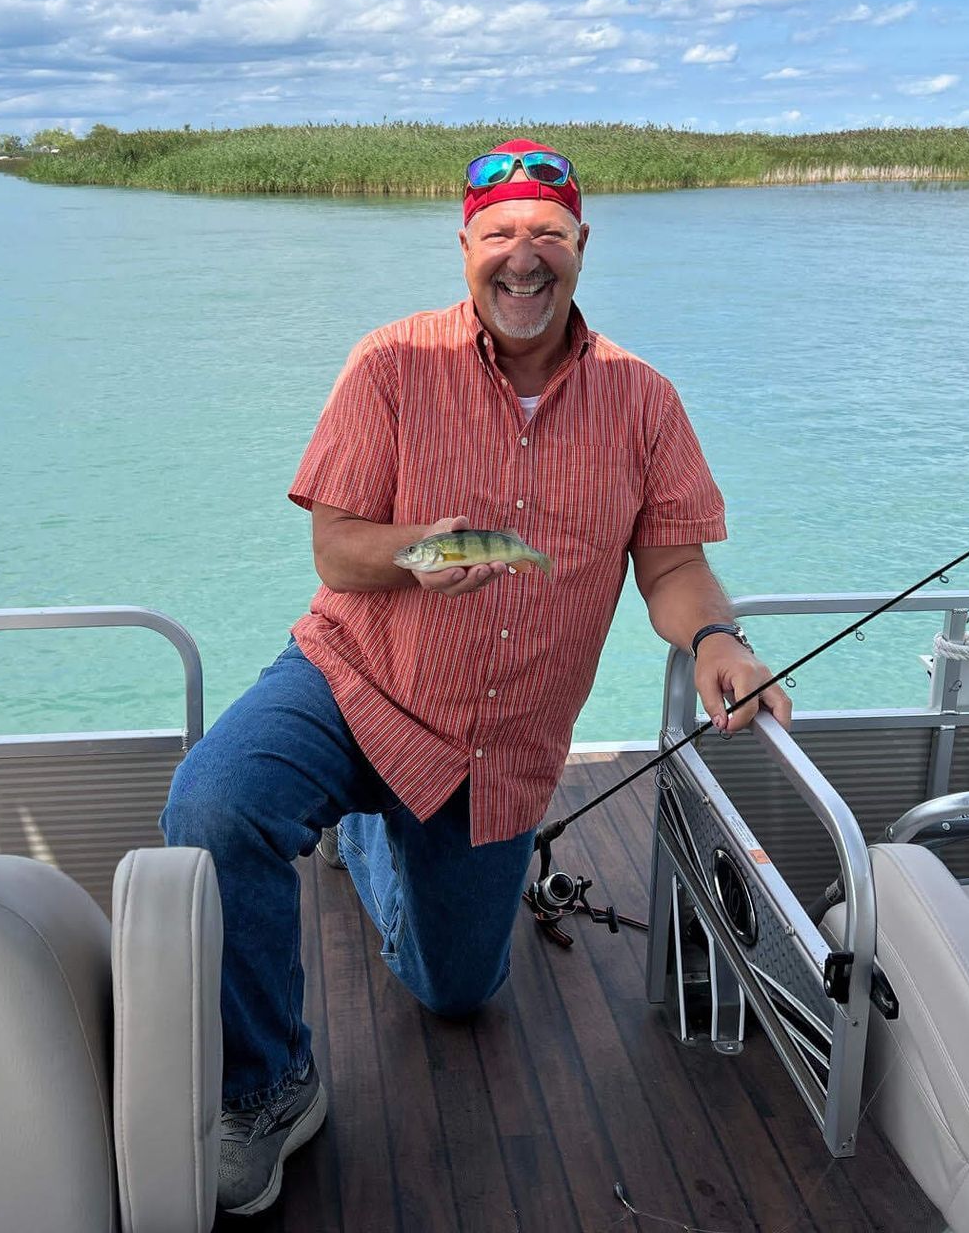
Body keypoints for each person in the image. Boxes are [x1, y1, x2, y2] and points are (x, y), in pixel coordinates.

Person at [161, 137, 791, 1216]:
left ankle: (364, 834)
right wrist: (414, 552)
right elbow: (337, 547)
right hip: (355, 676)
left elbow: (674, 564)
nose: (523, 257)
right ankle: (268, 1087)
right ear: (464, 246)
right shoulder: (389, 364)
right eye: (500, 234)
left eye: (547, 233)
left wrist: (716, 641)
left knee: (457, 993)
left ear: (582, 245)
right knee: (215, 803)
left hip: (501, 750)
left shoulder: (644, 401)